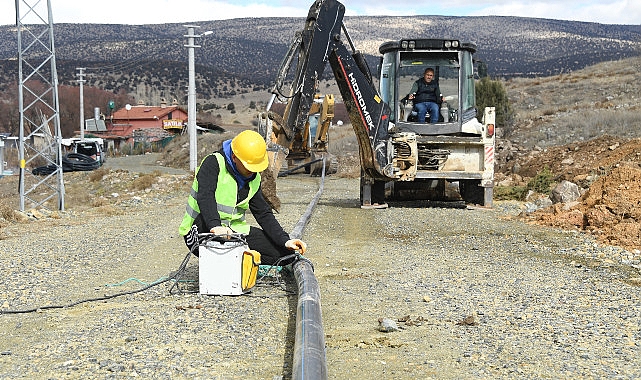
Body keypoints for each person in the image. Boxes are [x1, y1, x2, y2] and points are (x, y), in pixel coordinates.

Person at [178, 129, 307, 266]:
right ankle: (231, 264)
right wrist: (215, 226)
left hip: (233, 231)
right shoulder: (213, 163)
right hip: (201, 230)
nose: (251, 171)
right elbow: (205, 197)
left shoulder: (253, 177)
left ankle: (241, 264)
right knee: (223, 247)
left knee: (286, 256)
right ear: (234, 157)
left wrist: (285, 240)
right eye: (248, 167)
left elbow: (263, 213)